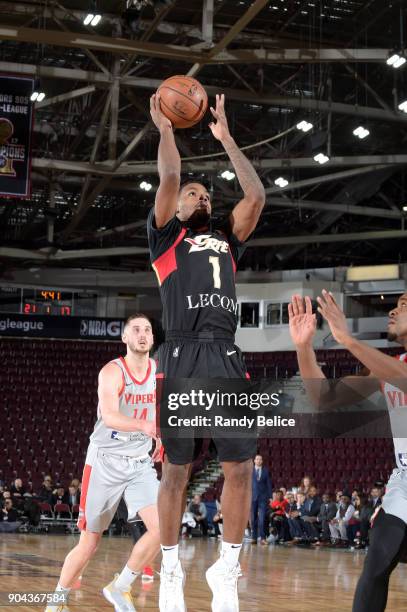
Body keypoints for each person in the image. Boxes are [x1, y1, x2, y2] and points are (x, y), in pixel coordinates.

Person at [148, 91, 265, 612]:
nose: (202, 198)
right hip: (182, 356)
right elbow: (169, 179)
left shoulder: (228, 240)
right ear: (176, 206)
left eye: (205, 196)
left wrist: (226, 139)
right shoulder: (165, 239)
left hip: (225, 355)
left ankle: (228, 566)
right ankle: (170, 567)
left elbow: (256, 196)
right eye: (194, 195)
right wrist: (167, 131)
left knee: (241, 467)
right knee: (176, 471)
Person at [288, 291, 407, 612]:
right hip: (404, 485)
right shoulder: (392, 367)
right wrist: (303, 346)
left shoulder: (396, 372)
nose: (393, 311)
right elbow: (323, 398)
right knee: (376, 565)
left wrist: (346, 339)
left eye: (404, 306)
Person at [45, 314, 161, 612]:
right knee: (89, 543)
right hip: (105, 461)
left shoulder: (159, 371)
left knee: (163, 530)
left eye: (147, 329)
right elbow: (109, 416)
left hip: (138, 463)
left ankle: (120, 587)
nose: (142, 333)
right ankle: (57, 600)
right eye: (135, 329)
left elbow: (158, 411)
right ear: (124, 338)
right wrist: (144, 427)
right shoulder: (112, 372)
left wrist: (160, 440)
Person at [251, 454, 273, 545]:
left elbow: (269, 484)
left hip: (263, 498)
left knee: (262, 518)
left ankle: (263, 538)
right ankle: (254, 538)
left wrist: (270, 496)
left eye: (260, 459)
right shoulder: (250, 471)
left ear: (262, 461)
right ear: (254, 461)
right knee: (253, 519)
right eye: (257, 459)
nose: (259, 460)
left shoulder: (266, 471)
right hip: (252, 497)